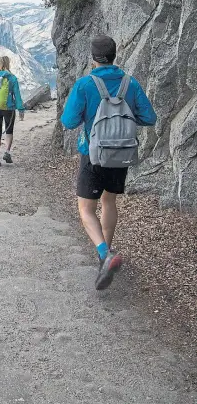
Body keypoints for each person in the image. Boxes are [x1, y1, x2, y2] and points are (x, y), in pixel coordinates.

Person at [61, 35, 156, 290]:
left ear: (93, 59)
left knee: (86, 209)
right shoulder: (130, 84)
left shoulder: (84, 85)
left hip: (92, 155)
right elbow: (149, 117)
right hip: (121, 154)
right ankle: (104, 255)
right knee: (109, 201)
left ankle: (104, 254)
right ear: (115, 56)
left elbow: (68, 122)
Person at [0, 56, 26, 167]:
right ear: (8, 64)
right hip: (9, 109)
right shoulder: (12, 78)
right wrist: (21, 109)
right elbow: (17, 95)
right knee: (9, 131)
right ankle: (7, 152)